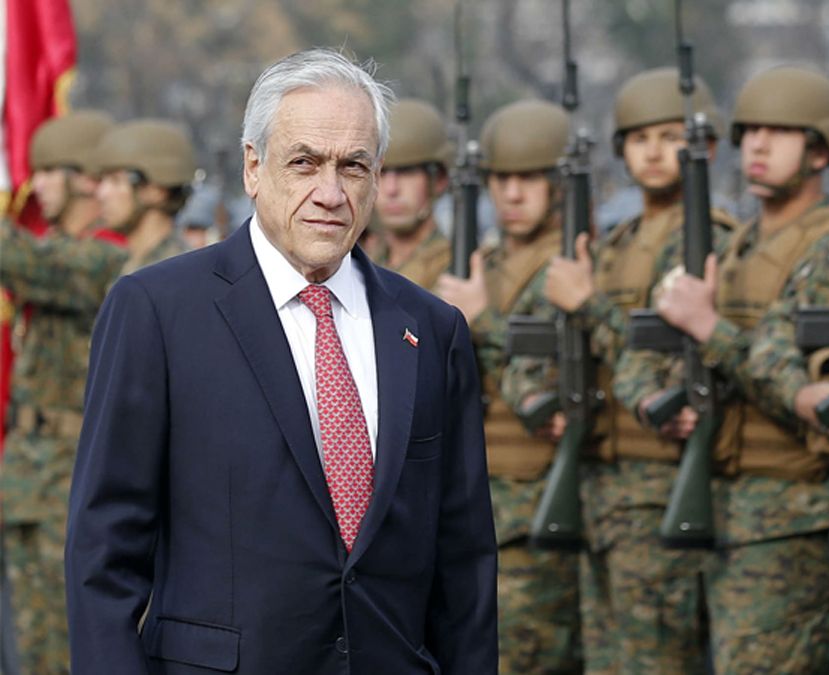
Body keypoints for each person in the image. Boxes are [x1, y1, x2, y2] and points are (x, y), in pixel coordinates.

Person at [65, 48, 498, 674]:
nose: (330, 192)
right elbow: (103, 553)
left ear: (376, 176)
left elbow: (465, 562)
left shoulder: (431, 329)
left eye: (353, 166)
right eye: (305, 162)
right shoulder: (156, 312)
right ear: (253, 167)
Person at [504, 67, 740, 673]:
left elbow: (651, 354)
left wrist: (588, 303)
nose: (654, 152)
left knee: (656, 657)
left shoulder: (709, 241)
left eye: (669, 137)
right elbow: (541, 347)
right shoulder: (613, 243)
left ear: (704, 148)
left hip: (660, 487)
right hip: (599, 486)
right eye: (640, 139)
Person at [645, 65, 829, 673]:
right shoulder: (741, 244)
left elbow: (798, 380)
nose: (757, 146)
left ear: (819, 151)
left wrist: (709, 327)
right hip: (728, 499)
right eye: (751, 132)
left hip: (792, 509)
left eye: (780, 133)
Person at [434, 99, 582, 674]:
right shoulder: (481, 262)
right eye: (502, 179)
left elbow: (542, 386)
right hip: (474, 500)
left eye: (529, 179)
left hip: (534, 504)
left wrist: (478, 321)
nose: (512, 194)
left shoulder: (568, 266)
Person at [1, 110, 128, 675]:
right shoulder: (58, 249)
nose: (36, 184)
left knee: (69, 646)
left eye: (50, 170)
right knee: (33, 644)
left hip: (69, 479)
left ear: (84, 178)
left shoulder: (105, 255)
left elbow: (25, 260)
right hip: (31, 474)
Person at [367, 98, 453, 289]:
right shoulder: (363, 262)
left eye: (407, 172)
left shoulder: (454, 269)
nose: (391, 189)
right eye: (381, 172)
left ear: (438, 180)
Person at [93, 119, 195, 273]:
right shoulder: (130, 264)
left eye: (116, 181)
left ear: (156, 191)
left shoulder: (175, 274)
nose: (101, 193)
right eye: (102, 180)